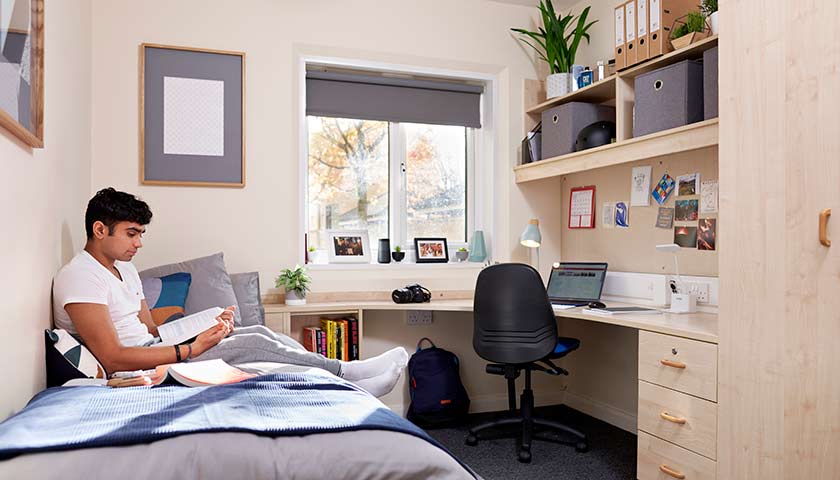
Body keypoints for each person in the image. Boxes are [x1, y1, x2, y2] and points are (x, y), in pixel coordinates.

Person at [52, 188, 407, 397]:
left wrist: (204, 327)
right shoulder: (80, 277)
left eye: (141, 234)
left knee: (258, 332)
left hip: (154, 348)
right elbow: (113, 357)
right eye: (131, 234)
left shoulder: (124, 268)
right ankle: (349, 376)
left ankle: (345, 377)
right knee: (254, 343)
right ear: (100, 229)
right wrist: (192, 348)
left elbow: (149, 330)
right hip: (140, 370)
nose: (139, 243)